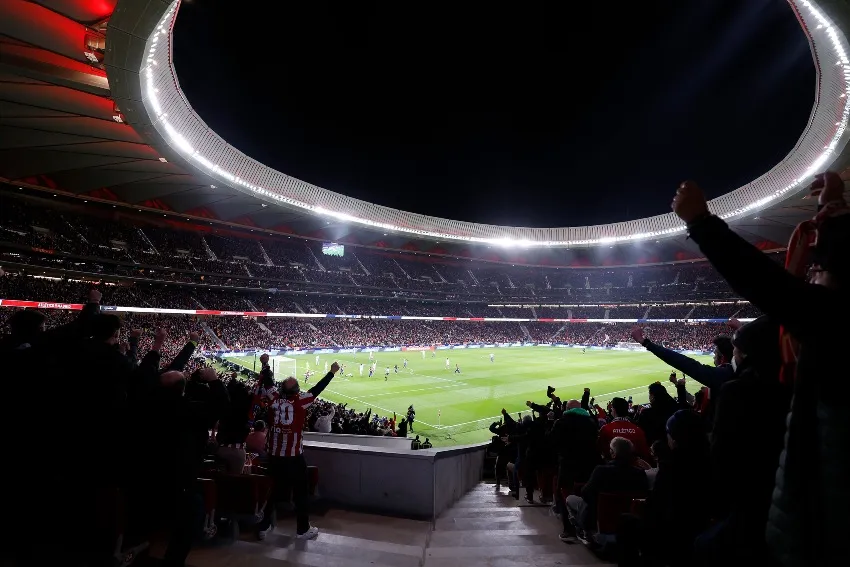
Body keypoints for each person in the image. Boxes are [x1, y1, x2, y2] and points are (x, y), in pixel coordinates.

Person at [672, 173, 850, 566]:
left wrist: (701, 223)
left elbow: (767, 283)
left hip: (816, 529)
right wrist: (830, 211)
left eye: (817, 274)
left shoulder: (834, 328)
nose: (811, 279)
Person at [256, 361, 340, 541]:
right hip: (293, 456)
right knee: (301, 492)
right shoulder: (301, 401)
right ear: (296, 390)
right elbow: (317, 389)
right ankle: (302, 529)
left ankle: (264, 526)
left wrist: (265, 363)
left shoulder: (273, 398)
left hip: (274, 455)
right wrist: (331, 372)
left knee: (273, 489)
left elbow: (268, 383)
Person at [632, 326, 734, 427]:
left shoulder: (722, 375)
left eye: (715, 354)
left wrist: (645, 343)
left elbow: (683, 362)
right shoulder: (739, 371)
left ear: (722, 357)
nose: (713, 356)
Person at [563, 437, 648, 540]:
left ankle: (584, 531)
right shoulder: (640, 474)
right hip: (630, 521)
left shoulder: (601, 471)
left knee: (570, 499)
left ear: (612, 453)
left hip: (598, 519)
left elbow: (585, 492)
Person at [597, 397, 650, 461]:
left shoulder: (605, 429)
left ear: (614, 410)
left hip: (611, 468)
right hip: (635, 468)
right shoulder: (638, 430)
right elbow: (645, 453)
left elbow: (600, 451)